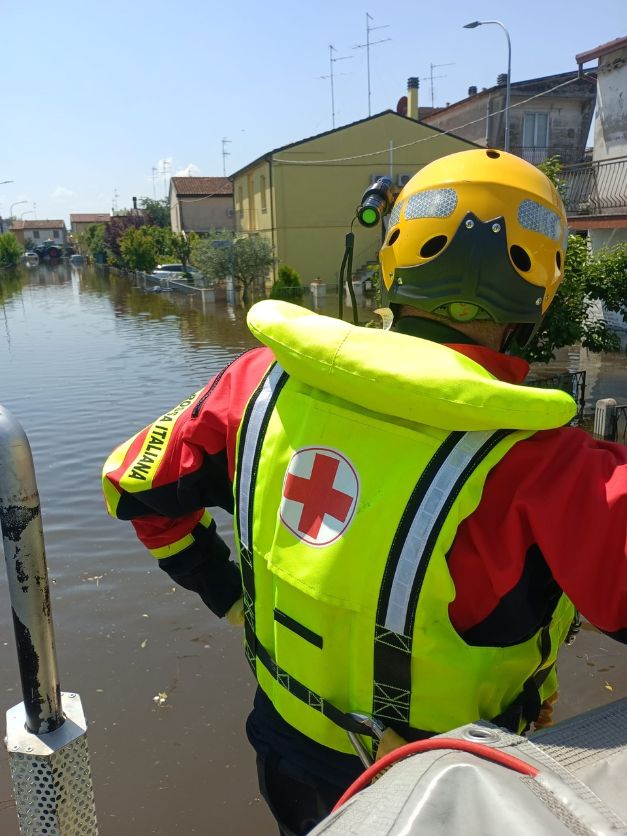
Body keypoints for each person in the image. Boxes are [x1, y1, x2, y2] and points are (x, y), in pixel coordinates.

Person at [102, 149, 627, 836]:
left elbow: (136, 489)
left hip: (286, 745)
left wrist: (228, 596)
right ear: (541, 293)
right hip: (453, 790)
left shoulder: (255, 383)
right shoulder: (552, 466)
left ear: (391, 257)